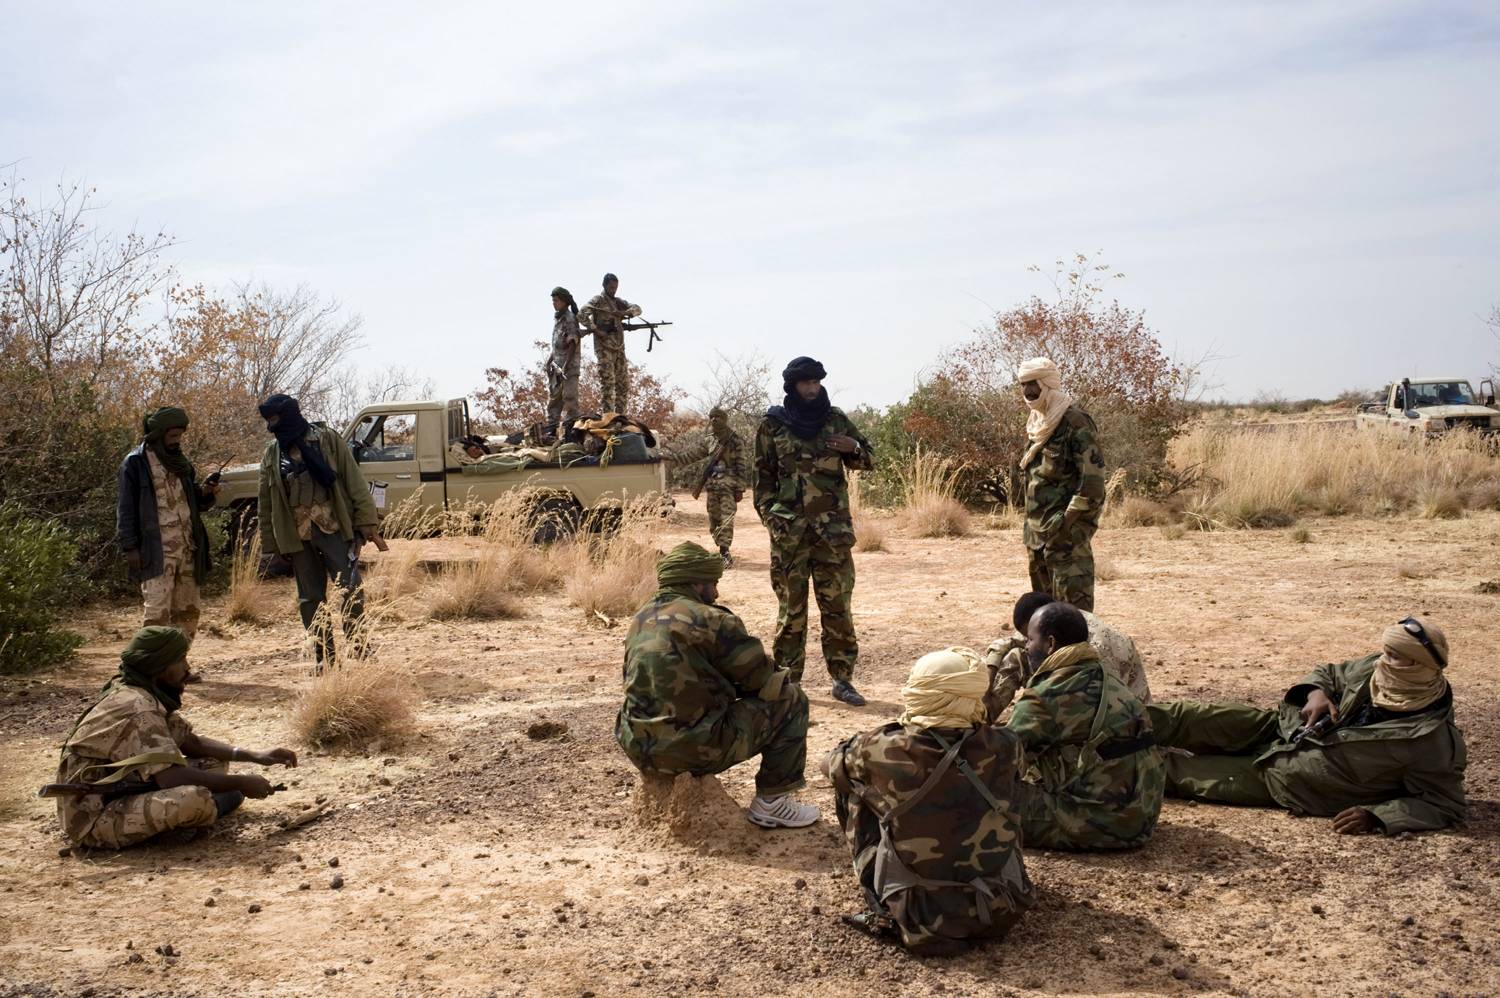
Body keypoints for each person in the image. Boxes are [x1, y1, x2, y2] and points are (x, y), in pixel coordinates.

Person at [1147, 616, 1465, 835]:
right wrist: (1316, 692)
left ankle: (1116, 767)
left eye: (1394, 656)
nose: (1383, 661)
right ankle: (1116, 724)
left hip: (1293, 780)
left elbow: (1443, 803)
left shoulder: (1432, 739)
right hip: (1284, 728)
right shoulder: (1376, 668)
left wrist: (1377, 816)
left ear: (1418, 666)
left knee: (1175, 773)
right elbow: (1330, 673)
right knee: (1191, 717)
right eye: (1385, 652)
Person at [823, 647, 1036, 955]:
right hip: (1000, 906)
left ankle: (883, 895)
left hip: (917, 915)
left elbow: (829, 766)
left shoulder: (880, 746)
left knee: (853, 788)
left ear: (920, 693)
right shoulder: (1006, 744)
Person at [616, 542, 819, 829]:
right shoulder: (713, 620)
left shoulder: (640, 619)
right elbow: (764, 680)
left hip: (639, 749)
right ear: (696, 583)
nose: (716, 593)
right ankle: (773, 803)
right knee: (792, 699)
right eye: (713, 583)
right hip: (691, 750)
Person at [53, 626, 297, 849]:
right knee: (193, 799)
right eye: (180, 660)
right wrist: (240, 783)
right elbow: (170, 777)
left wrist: (255, 755)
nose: (187, 668)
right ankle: (201, 813)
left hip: (121, 790)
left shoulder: (138, 691)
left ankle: (205, 808)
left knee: (213, 763)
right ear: (159, 667)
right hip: (93, 818)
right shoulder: (138, 707)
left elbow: (191, 743)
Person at [753, 356, 875, 707]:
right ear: (793, 386)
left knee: (837, 608)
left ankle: (843, 679)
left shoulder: (835, 419)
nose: (813, 388)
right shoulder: (773, 426)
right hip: (789, 537)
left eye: (817, 382)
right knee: (791, 611)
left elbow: (868, 459)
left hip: (832, 535)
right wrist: (773, 521)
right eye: (806, 383)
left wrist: (854, 448)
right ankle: (787, 681)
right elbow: (761, 483)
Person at [1008, 602, 1163, 850]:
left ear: (1050, 644)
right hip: (1143, 816)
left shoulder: (1047, 695)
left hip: (1102, 825)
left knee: (983, 796)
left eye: (1030, 639)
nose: (1026, 647)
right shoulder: (1109, 676)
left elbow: (1001, 761)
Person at [256, 394, 386, 666]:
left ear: (289, 416)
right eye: (268, 420)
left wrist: (366, 521)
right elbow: (266, 503)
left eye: (275, 419)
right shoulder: (272, 453)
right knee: (310, 598)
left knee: (350, 589)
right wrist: (271, 545)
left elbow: (353, 480)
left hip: (334, 529)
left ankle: (359, 648)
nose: (271, 426)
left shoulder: (327, 440)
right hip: (297, 536)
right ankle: (323, 656)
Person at [116, 407, 220, 678]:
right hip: (155, 551)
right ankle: (147, 672)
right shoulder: (136, 463)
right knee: (157, 614)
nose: (177, 440)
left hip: (188, 548)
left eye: (180, 435)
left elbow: (194, 503)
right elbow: (126, 509)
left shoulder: (181, 464)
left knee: (187, 612)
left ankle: (177, 668)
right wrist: (130, 547)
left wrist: (207, 492)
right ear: (159, 434)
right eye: (172, 435)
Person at [1016, 358, 1105, 611]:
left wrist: (1065, 525)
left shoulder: (1075, 421)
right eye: (1023, 384)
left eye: (1032, 384)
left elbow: (1092, 483)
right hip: (1036, 537)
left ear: (1047, 383)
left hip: (1067, 539)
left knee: (1074, 617)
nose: (1027, 391)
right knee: (1044, 618)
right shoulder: (1038, 423)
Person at [984, 591, 1151, 720]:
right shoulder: (1048, 622)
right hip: (1082, 689)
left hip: (1124, 717)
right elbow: (1003, 645)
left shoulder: (1098, 647)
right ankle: (982, 719)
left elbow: (1104, 701)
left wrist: (1040, 711)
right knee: (1016, 657)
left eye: (1030, 638)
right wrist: (987, 687)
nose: (1027, 644)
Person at [579, 272, 641, 415]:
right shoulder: (598, 300)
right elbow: (581, 315)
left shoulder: (618, 302)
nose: (614, 290)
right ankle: (609, 418)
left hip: (619, 348)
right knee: (608, 385)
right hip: (604, 349)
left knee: (623, 385)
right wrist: (596, 329)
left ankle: (621, 418)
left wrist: (624, 313)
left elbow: (638, 309)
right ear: (604, 285)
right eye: (611, 287)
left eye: (616, 288)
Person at [702, 407, 748, 566]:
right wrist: (671, 458)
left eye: (718, 417)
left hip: (729, 486)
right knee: (714, 520)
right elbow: (693, 454)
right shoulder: (709, 440)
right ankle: (720, 544)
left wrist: (740, 488)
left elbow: (741, 464)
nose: (714, 420)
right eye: (712, 417)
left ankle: (725, 551)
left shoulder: (734, 440)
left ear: (725, 419)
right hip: (712, 486)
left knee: (726, 519)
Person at [547, 286, 583, 430]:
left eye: (556, 300)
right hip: (557, 367)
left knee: (570, 400)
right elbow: (558, 344)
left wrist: (566, 365)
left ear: (564, 302)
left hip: (568, 369)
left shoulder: (570, 318)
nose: (554, 303)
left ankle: (571, 433)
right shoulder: (558, 318)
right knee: (554, 402)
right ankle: (551, 430)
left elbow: (572, 343)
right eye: (553, 301)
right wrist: (549, 361)